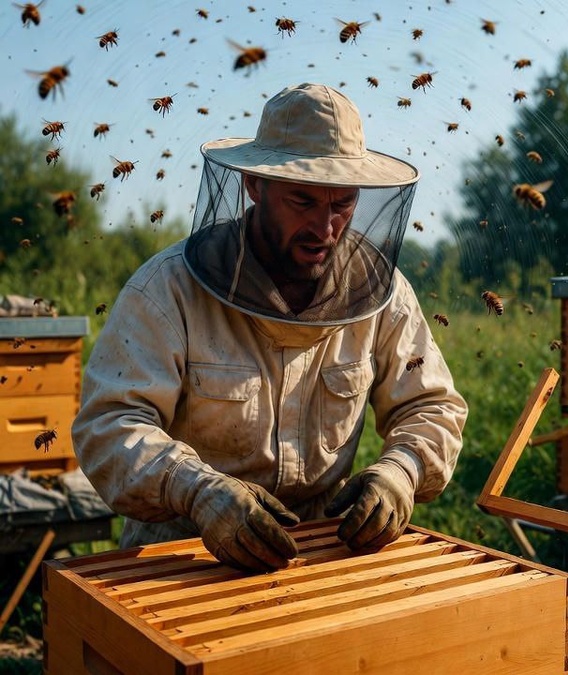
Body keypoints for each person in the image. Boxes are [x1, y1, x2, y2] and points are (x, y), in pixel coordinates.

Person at [73, 83, 468, 573]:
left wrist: (401, 472)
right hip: (183, 552)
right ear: (254, 186)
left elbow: (431, 405)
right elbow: (110, 425)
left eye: (342, 204)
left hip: (318, 548)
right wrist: (196, 489)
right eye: (302, 201)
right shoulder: (167, 289)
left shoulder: (381, 294)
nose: (325, 229)